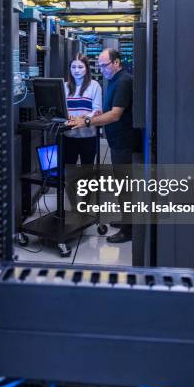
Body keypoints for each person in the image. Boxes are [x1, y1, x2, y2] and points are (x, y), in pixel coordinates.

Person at [68, 48, 137, 243]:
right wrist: (98, 115)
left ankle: (129, 230)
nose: (102, 68)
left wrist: (88, 122)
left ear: (116, 63)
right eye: (99, 65)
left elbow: (116, 114)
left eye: (104, 65)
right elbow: (109, 110)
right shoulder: (115, 80)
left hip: (124, 142)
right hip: (118, 142)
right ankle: (126, 221)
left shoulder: (124, 81)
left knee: (125, 187)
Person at [63, 53, 102, 167]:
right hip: (69, 135)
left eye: (80, 67)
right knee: (68, 170)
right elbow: (62, 108)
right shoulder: (65, 86)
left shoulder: (94, 86)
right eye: (73, 67)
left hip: (88, 136)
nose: (76, 70)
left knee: (87, 171)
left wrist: (83, 119)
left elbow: (97, 110)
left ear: (86, 69)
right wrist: (66, 116)